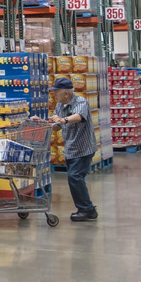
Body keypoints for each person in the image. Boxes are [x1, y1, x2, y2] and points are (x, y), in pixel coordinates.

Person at [49, 76, 97, 222]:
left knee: (75, 177)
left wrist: (63, 120)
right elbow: (58, 125)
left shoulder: (80, 101)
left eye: (56, 92)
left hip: (83, 148)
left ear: (66, 93)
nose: (54, 95)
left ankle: (87, 209)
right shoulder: (59, 105)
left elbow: (79, 116)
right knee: (75, 178)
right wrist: (49, 122)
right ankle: (86, 208)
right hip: (70, 148)